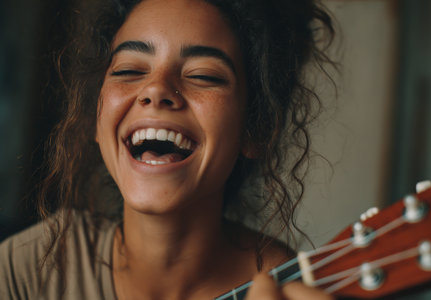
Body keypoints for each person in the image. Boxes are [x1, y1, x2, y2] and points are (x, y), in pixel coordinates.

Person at [0, 0, 335, 299]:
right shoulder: (28, 269)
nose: (156, 89)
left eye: (203, 75)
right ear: (97, 120)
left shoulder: (289, 287)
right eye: (129, 70)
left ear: (255, 129)